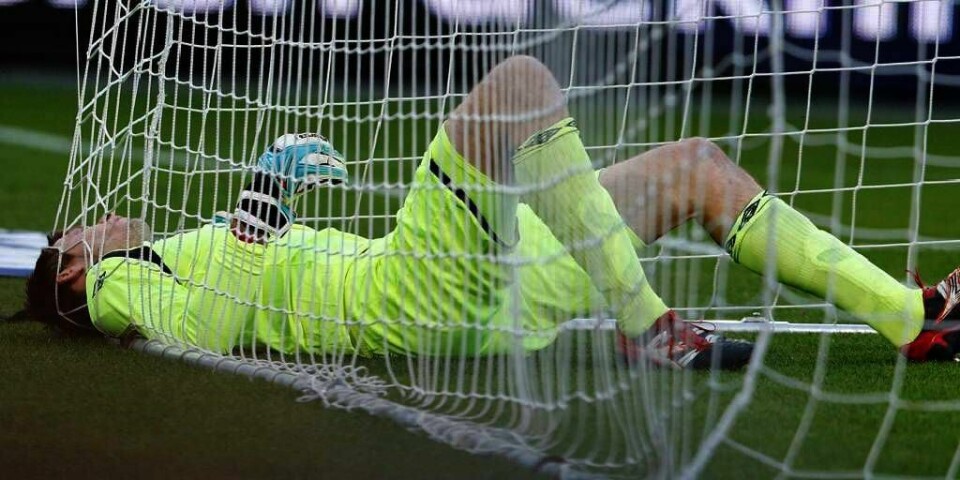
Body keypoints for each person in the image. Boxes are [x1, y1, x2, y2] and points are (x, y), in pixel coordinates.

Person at [24, 56, 960, 369]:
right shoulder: (111, 289)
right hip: (402, 296)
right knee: (519, 84)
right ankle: (645, 323)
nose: (99, 223)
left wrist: (260, 220)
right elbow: (216, 328)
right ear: (71, 267)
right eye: (82, 234)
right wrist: (255, 215)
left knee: (697, 169)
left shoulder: (145, 259)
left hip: (492, 295)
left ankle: (911, 319)